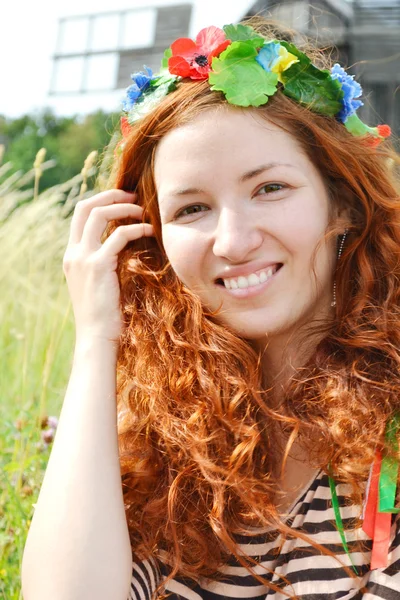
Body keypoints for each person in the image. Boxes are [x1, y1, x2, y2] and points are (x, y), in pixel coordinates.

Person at [21, 17, 400, 600]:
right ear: (151, 237)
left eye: (270, 188)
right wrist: (97, 339)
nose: (232, 241)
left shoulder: (390, 431)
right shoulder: (170, 440)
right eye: (192, 208)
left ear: (342, 204)